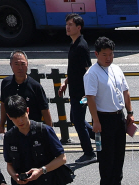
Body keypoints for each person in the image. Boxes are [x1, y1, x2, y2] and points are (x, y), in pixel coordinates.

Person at [0, 50, 53, 185]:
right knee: (15, 163)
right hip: (13, 133)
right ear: (11, 65)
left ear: (27, 65)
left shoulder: (35, 86)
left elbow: (45, 111)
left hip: (32, 133)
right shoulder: (6, 83)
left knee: (34, 164)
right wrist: (1, 125)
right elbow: (3, 106)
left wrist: (49, 132)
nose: (20, 67)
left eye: (23, 64)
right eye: (16, 64)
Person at [86, 37, 134, 185]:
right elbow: (90, 98)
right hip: (103, 118)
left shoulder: (116, 68)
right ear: (96, 54)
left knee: (119, 152)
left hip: (119, 115)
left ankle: (116, 184)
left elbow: (125, 91)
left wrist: (130, 112)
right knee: (106, 155)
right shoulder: (92, 73)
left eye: (111, 54)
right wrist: (96, 121)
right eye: (104, 54)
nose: (108, 58)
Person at [57, 15, 96, 166]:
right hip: (75, 90)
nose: (67, 27)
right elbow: (74, 69)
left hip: (81, 93)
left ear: (78, 28)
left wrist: (88, 93)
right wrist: (65, 82)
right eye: (67, 24)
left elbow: (88, 70)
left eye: (70, 25)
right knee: (75, 119)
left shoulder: (81, 46)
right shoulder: (74, 44)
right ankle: (100, 137)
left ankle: (89, 153)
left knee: (78, 122)